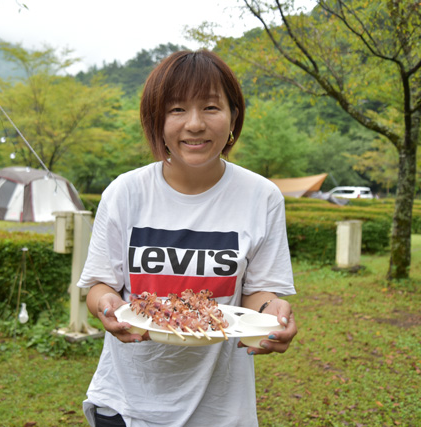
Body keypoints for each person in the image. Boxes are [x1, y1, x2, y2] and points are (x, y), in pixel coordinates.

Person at [77, 50, 298, 427]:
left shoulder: (261, 196)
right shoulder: (125, 192)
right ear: (156, 121)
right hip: (126, 404)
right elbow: (98, 286)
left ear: (233, 116)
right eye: (177, 110)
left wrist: (271, 315)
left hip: (219, 410)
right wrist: (107, 306)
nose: (194, 124)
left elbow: (259, 295)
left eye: (211, 107)